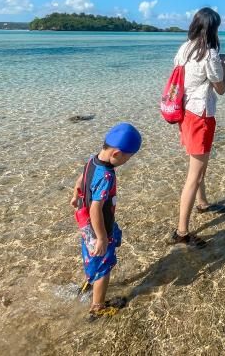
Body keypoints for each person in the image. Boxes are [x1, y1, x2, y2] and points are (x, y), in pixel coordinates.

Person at [170, 7, 225, 249]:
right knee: (194, 175)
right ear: (213, 29)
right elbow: (221, 88)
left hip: (184, 113)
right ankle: (182, 231)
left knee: (199, 164)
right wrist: (224, 66)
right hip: (200, 116)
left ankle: (203, 203)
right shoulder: (210, 54)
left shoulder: (184, 48)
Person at [71, 122, 142, 319]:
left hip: (86, 225)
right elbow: (96, 209)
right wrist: (102, 238)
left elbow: (81, 179)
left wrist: (76, 195)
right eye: (127, 158)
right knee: (104, 267)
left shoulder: (92, 160)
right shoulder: (107, 175)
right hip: (98, 228)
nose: (127, 161)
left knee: (92, 255)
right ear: (116, 154)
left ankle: (88, 283)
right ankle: (98, 307)